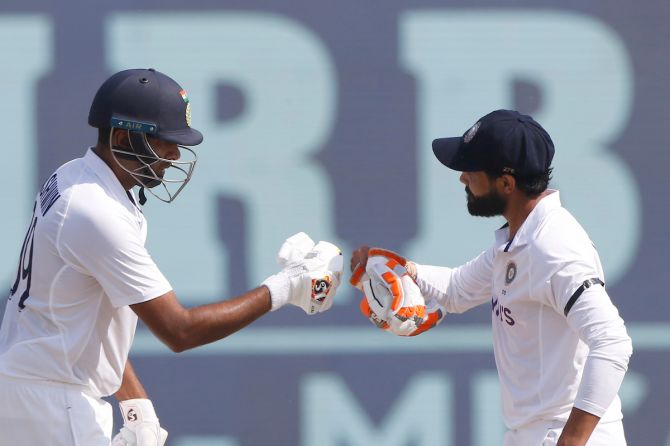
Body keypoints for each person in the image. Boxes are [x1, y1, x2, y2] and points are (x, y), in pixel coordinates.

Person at [0, 68, 342, 446]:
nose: (175, 154)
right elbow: (179, 330)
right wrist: (286, 287)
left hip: (40, 393)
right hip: (54, 408)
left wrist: (135, 404)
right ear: (121, 136)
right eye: (163, 140)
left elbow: (91, 314)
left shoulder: (76, 177)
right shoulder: (96, 211)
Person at [350, 109, 633, 446]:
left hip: (566, 436)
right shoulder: (519, 239)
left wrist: (571, 441)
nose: (462, 179)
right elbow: (456, 290)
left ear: (507, 183)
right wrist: (391, 266)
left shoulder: (554, 248)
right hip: (532, 435)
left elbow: (613, 342)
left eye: (471, 170)